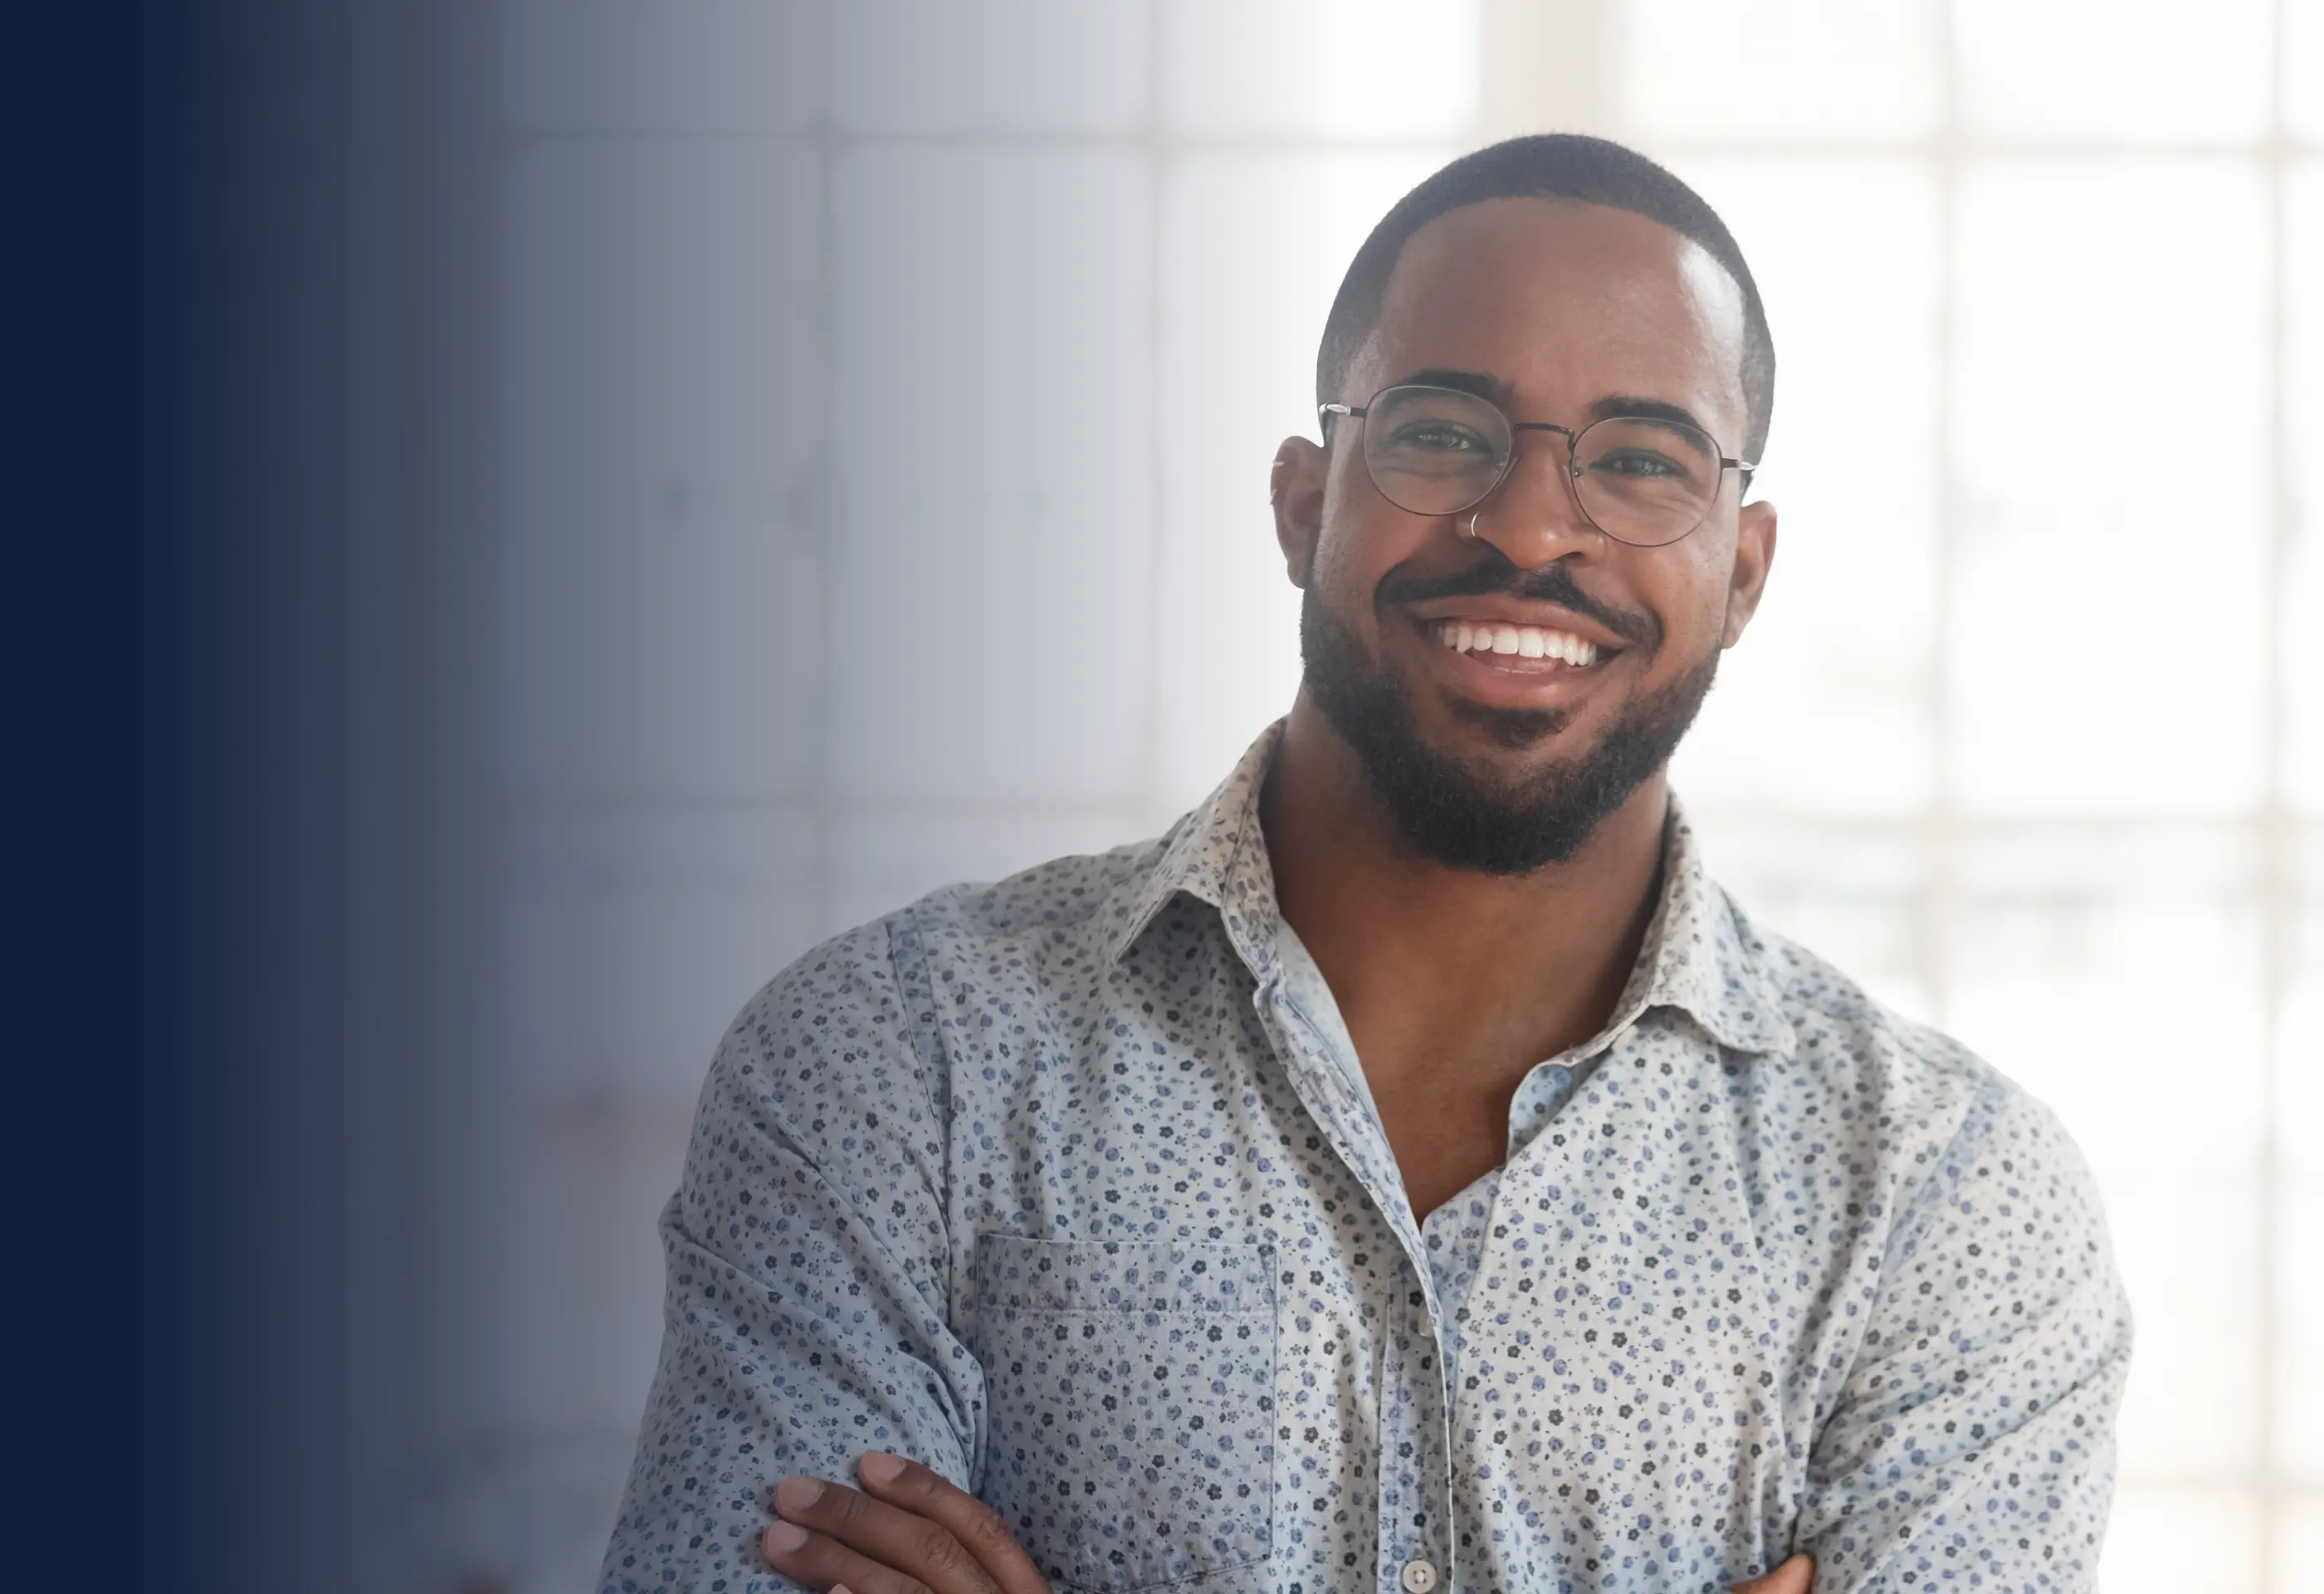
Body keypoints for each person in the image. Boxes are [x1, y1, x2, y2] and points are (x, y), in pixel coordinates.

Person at [594, 135, 2128, 1594]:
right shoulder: (891, 1065)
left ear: (1744, 569)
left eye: (1645, 459)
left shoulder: (1946, 1205)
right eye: (1444, 432)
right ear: (1302, 502)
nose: (1531, 526)